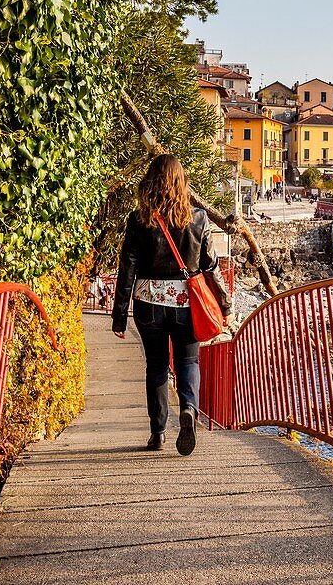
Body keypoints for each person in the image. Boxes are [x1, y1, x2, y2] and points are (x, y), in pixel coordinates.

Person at [111, 155, 232, 454]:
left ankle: (158, 433)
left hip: (148, 302)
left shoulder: (138, 220)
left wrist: (119, 316)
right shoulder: (198, 218)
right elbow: (210, 266)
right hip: (186, 303)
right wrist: (225, 304)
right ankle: (188, 409)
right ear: (182, 184)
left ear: (150, 182)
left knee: (156, 366)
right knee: (188, 362)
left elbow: (127, 268)